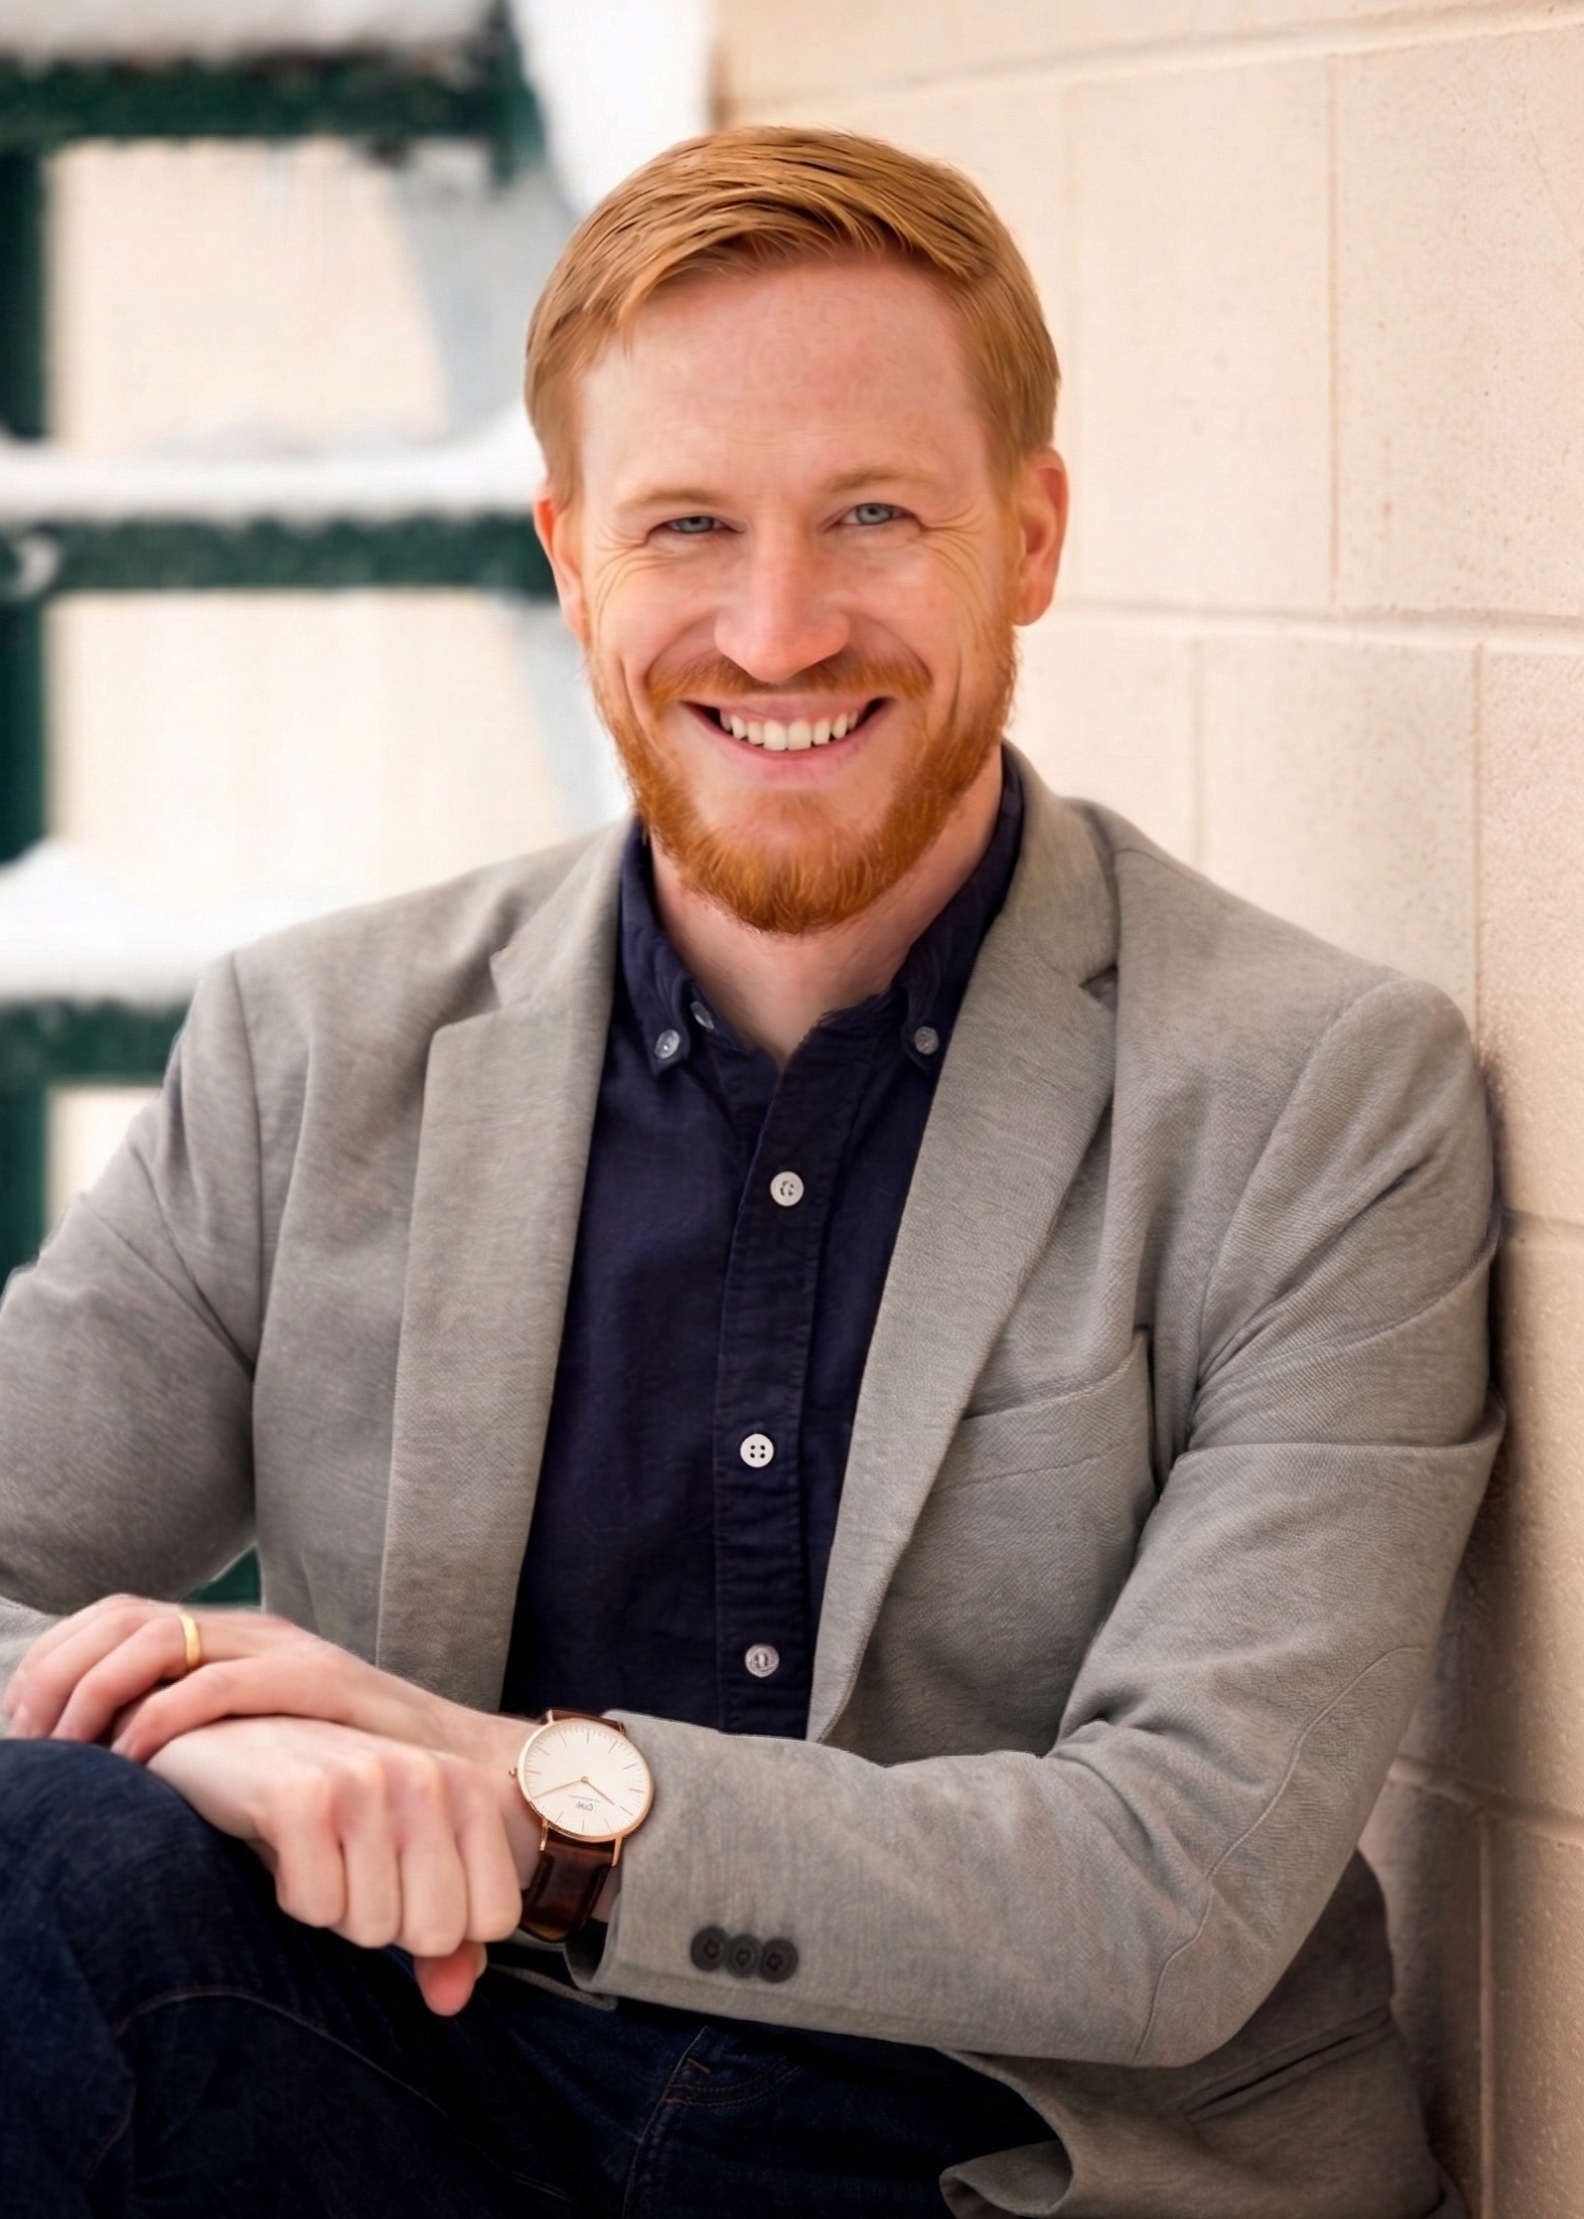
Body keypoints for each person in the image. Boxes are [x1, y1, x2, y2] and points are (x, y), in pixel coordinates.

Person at [0, 128, 1497, 2219]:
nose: (779, 629)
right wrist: (199, 1745)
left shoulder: (1316, 1092)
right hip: (443, 2105)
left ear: (1032, 536)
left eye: (873, 514)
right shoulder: (312, 1045)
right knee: (46, 1859)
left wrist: (526, 1800)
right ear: (570, 553)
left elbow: (1184, 1874)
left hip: (1007, 2153)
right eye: (688, 523)